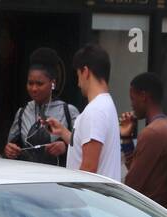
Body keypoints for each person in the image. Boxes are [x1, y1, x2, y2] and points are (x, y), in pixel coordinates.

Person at [46, 45, 122, 181]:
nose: (78, 83)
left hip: (91, 194)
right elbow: (86, 146)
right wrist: (63, 132)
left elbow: (89, 168)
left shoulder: (95, 111)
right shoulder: (106, 104)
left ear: (85, 72)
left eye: (78, 75)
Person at [3, 49, 72, 166]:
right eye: (30, 83)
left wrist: (65, 147)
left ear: (53, 83)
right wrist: (9, 150)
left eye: (40, 84)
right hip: (28, 174)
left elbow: (82, 149)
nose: (34, 88)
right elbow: (10, 146)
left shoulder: (68, 111)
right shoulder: (22, 113)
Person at [119, 72, 167, 208]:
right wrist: (126, 137)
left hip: (150, 211)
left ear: (143, 96)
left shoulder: (152, 133)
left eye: (133, 99)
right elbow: (138, 168)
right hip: (160, 208)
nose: (132, 105)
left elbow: (132, 183)